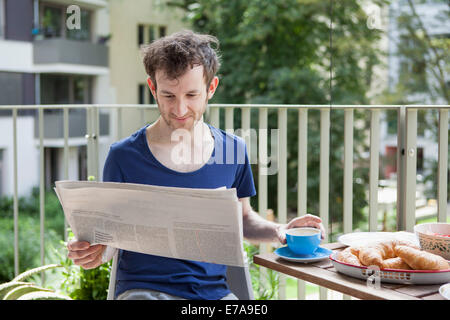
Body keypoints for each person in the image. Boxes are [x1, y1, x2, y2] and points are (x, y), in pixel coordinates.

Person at [66, 29, 325, 300]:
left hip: (212, 295)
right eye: (168, 96)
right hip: (144, 293)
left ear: (210, 88)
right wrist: (95, 252)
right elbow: (110, 238)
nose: (179, 110)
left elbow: (244, 220)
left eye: (191, 95)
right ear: (152, 87)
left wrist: (280, 231)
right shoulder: (124, 156)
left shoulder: (233, 150)